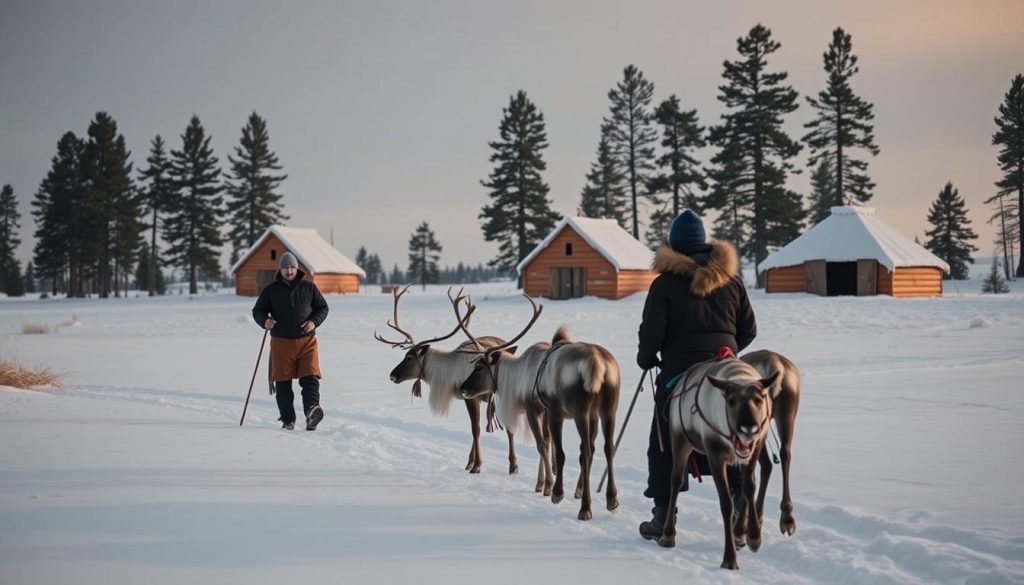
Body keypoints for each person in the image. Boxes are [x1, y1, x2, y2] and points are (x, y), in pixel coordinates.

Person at [636, 209, 757, 541]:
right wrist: (727, 352)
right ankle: (739, 514)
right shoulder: (732, 281)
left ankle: (663, 517)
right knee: (734, 437)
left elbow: (651, 334)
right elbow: (749, 330)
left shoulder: (664, 285)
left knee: (662, 438)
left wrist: (646, 358)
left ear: (674, 247)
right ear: (704, 243)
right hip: (727, 373)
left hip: (679, 371)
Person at [252, 252, 330, 431]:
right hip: (281, 343)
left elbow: (323, 308)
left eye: (292, 267)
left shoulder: (309, 288)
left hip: (307, 342)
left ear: (297, 268)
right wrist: (264, 321)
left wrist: (313, 322)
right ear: (280, 269)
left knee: (310, 378)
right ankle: (288, 420)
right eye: (285, 267)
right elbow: (258, 311)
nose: (289, 270)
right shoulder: (271, 290)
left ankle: (312, 412)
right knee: (283, 382)